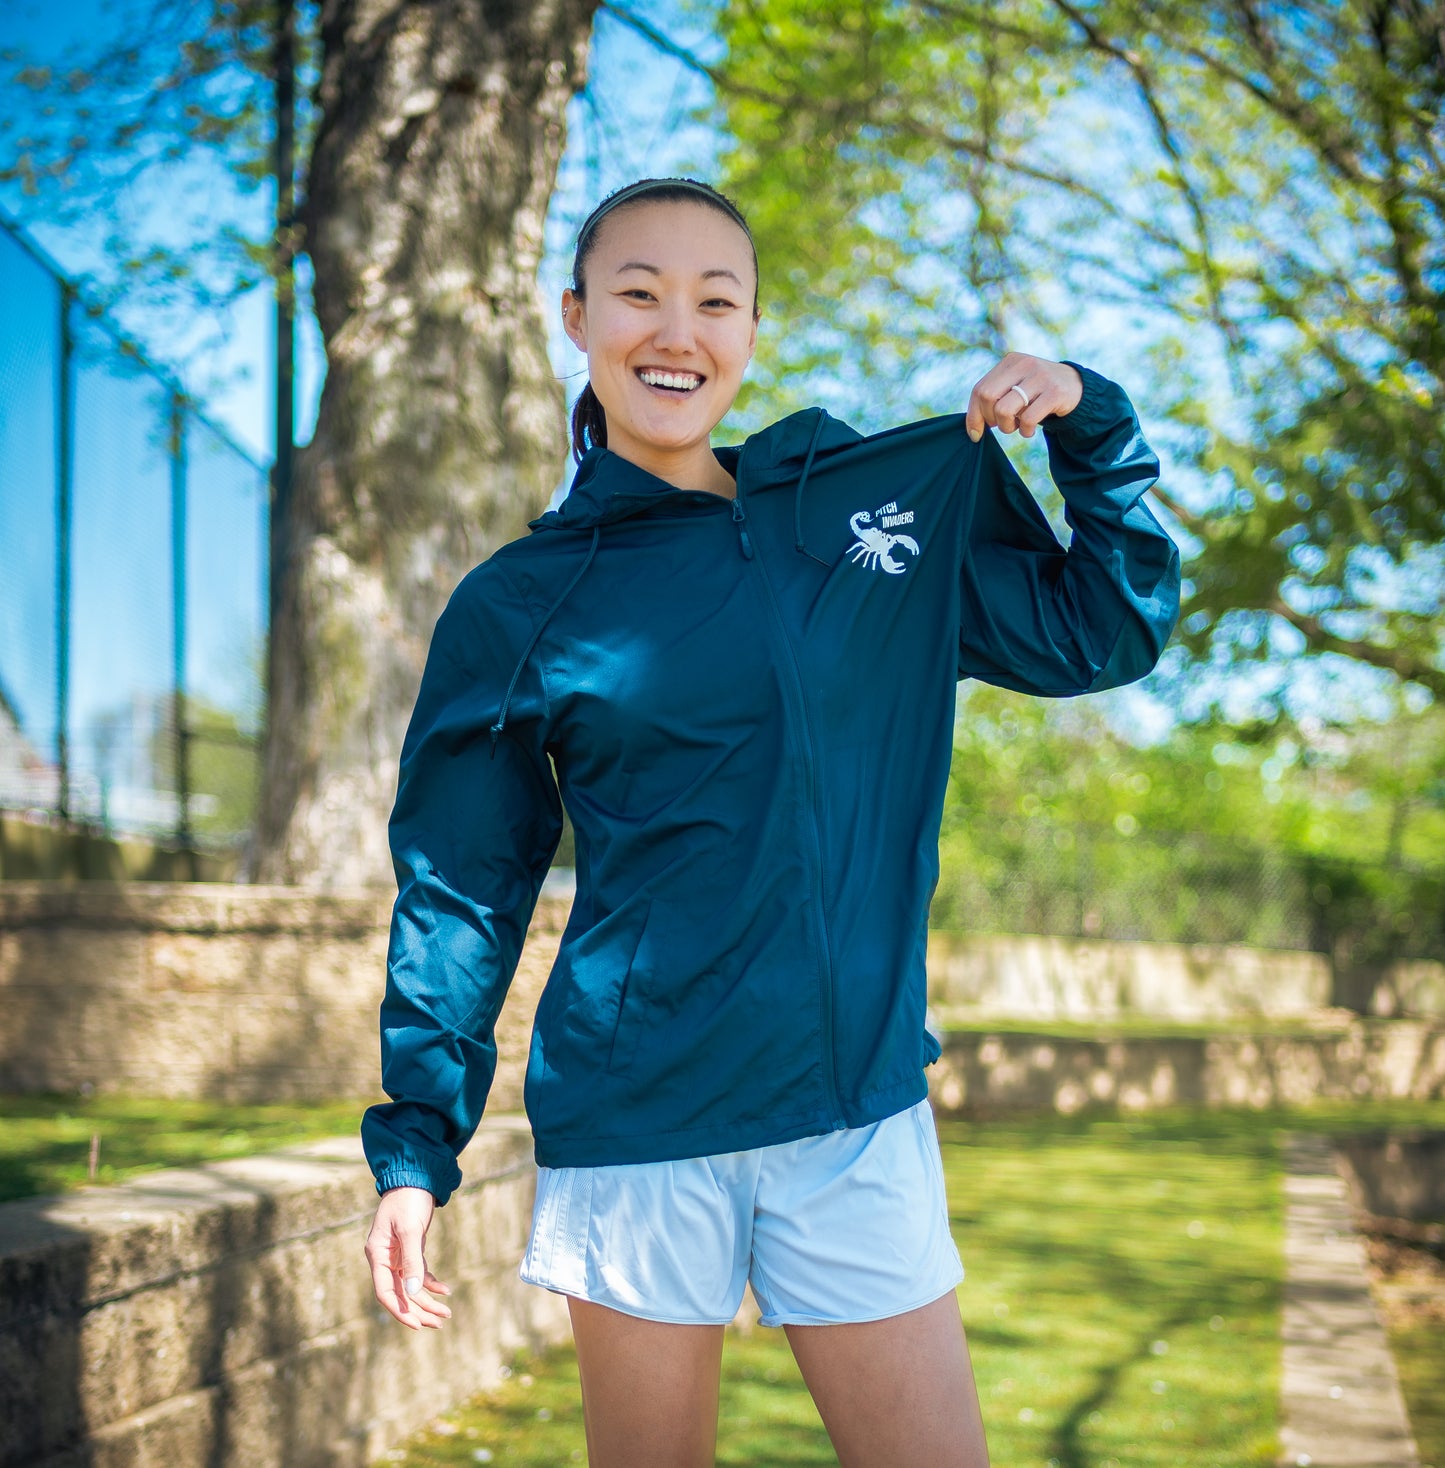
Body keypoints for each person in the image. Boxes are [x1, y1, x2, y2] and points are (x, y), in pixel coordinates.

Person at [360, 176, 1180, 1467]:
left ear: (748, 331)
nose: (674, 330)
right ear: (576, 317)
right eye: (636, 294)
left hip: (855, 1112)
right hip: (637, 1126)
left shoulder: (871, 514)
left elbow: (1104, 629)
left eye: (714, 300)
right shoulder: (519, 602)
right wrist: (415, 1145)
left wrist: (1091, 419)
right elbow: (462, 888)